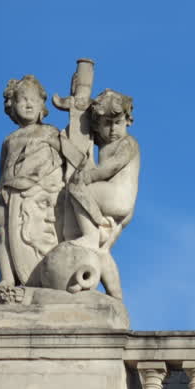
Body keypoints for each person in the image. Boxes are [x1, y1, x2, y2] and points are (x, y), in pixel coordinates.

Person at [63, 89, 140, 298]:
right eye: (107, 123)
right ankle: (116, 295)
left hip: (117, 197)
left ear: (128, 121)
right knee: (102, 251)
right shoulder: (106, 145)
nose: (113, 129)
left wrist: (87, 177)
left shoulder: (128, 143)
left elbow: (111, 169)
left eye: (118, 122)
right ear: (98, 125)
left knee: (76, 187)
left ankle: (90, 234)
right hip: (118, 201)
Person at [0, 75, 63, 287]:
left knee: (39, 234)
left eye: (33, 99)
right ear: (12, 106)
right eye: (22, 100)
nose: (28, 104)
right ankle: (7, 277)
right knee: (2, 231)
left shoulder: (51, 132)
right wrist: (0, 194)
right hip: (8, 193)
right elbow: (3, 169)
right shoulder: (9, 140)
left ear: (42, 104)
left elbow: (67, 161)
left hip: (39, 195)